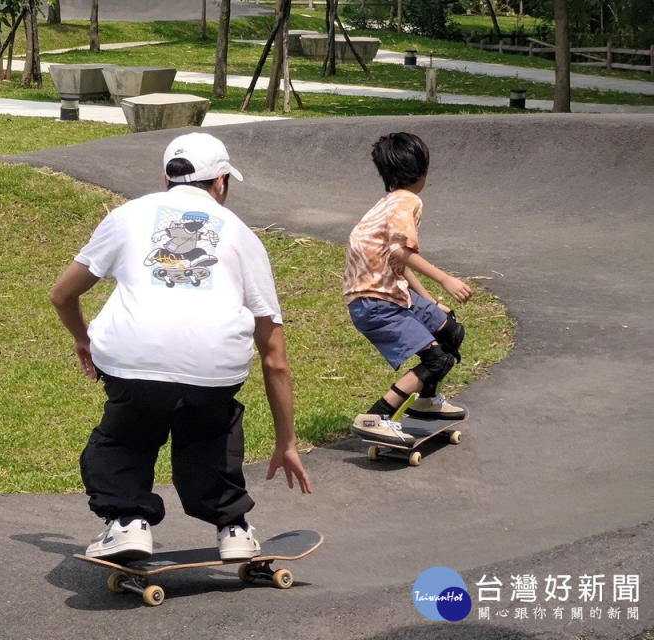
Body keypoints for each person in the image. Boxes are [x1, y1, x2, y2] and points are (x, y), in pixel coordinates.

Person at [50, 132, 312, 562]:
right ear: (221, 181)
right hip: (215, 368)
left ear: (166, 177)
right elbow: (275, 358)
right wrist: (286, 442)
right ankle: (234, 527)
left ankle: (127, 521)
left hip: (132, 360)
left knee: (125, 436)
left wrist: (83, 338)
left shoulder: (127, 216)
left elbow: (62, 294)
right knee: (210, 432)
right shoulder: (244, 236)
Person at [343, 132, 472, 444]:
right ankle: (376, 417)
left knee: (450, 331)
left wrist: (429, 301)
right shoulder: (408, 202)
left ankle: (427, 402)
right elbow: (402, 252)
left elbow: (394, 261)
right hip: (375, 302)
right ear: (424, 170)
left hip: (388, 292)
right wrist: (445, 279)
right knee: (437, 359)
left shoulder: (387, 203)